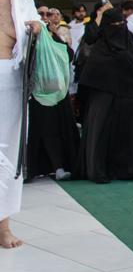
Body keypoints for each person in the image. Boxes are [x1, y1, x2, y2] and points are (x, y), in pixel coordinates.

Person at [74, 8, 133, 182]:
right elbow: (91, 78)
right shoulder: (100, 50)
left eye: (121, 24)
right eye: (114, 25)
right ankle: (101, 169)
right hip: (106, 99)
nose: (118, 28)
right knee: (102, 132)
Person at [0, 0, 42, 249]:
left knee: (9, 155)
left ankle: (3, 226)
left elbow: (34, 28)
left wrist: (37, 28)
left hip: (11, 81)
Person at [26, 10, 78, 182]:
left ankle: (57, 166)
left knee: (52, 130)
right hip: (34, 93)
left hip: (52, 91)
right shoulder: (27, 37)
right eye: (41, 14)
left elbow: (68, 55)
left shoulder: (51, 37)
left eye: (47, 14)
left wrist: (55, 36)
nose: (45, 17)